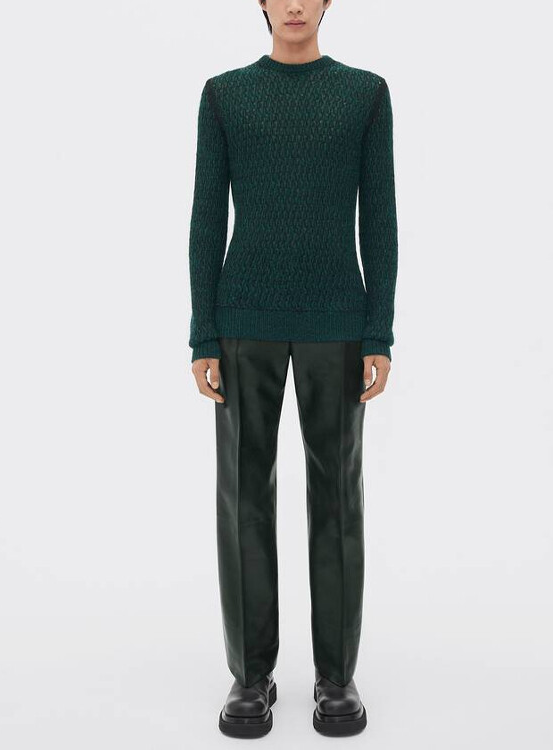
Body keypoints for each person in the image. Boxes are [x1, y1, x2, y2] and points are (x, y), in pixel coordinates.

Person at [187, 0, 398, 738]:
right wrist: (202, 334)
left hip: (337, 322)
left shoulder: (365, 94)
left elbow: (380, 218)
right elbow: (206, 216)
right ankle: (251, 677)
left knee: (338, 499)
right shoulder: (224, 96)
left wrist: (379, 331)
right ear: (264, 3)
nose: (297, 4)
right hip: (242, 321)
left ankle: (336, 678)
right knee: (243, 498)